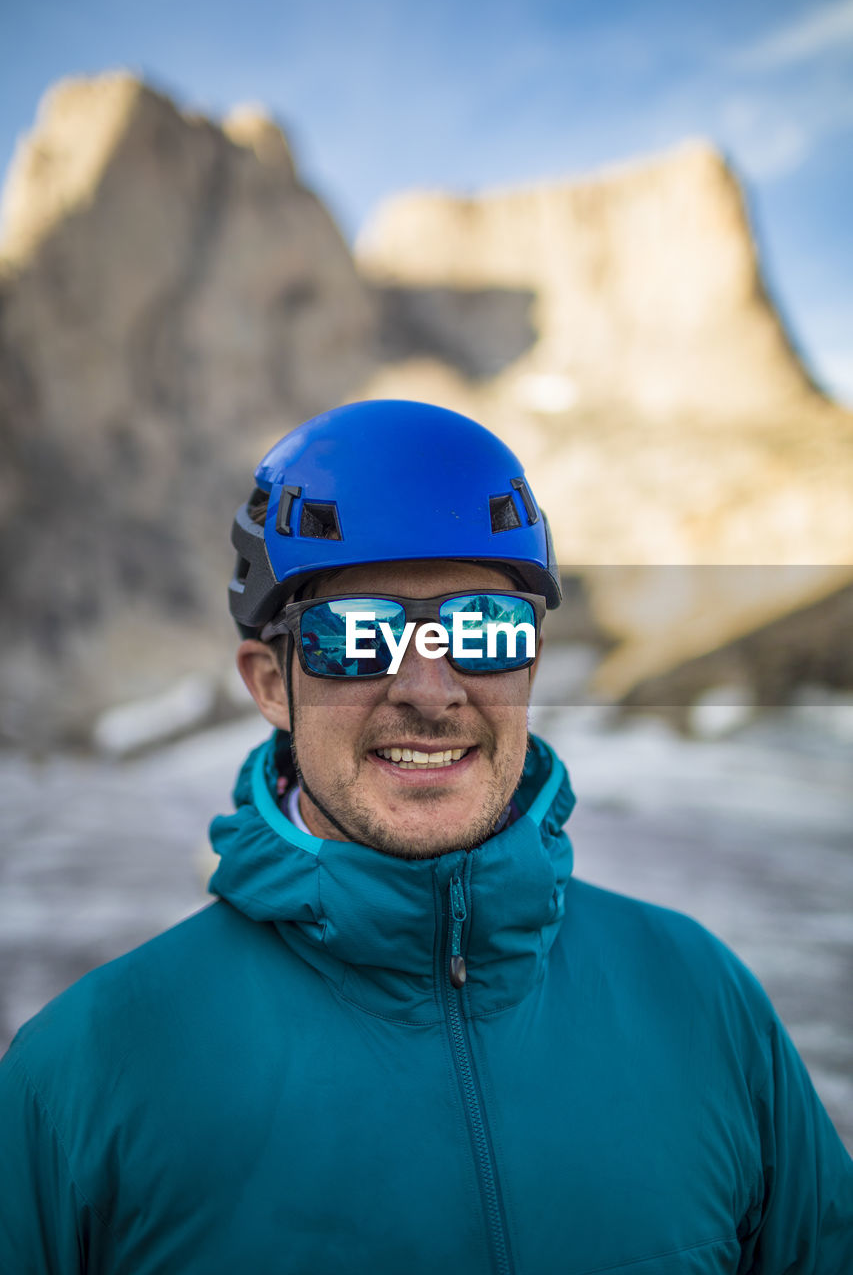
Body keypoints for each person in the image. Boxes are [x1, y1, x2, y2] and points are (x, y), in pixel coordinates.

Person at [0, 398, 850, 1273]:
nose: (430, 690)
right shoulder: (83, 1072)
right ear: (269, 682)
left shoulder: (703, 1001)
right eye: (358, 636)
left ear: (530, 662)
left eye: (485, 629)